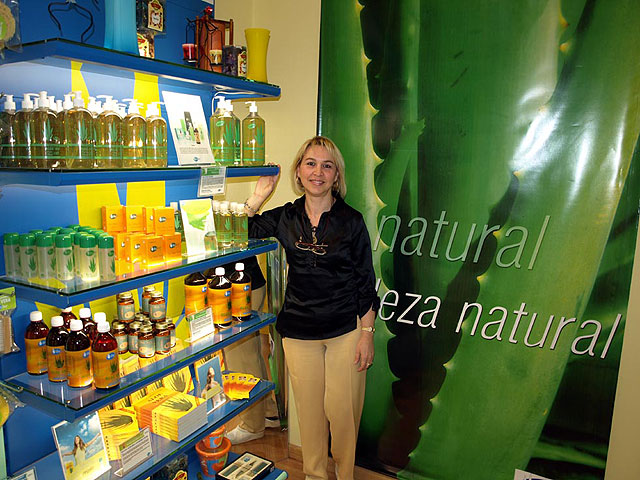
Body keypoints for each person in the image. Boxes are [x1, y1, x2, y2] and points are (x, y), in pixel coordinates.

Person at [242, 136, 379, 480]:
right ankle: (315, 475)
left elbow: (365, 281)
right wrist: (258, 196)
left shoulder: (351, 221)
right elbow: (240, 230)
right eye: (311, 164)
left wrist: (367, 333)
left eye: (327, 165)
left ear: (336, 176)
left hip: (344, 331)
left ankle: (344, 475)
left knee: (342, 412)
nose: (318, 172)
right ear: (299, 172)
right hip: (298, 331)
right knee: (310, 414)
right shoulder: (286, 217)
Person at [223, 256, 281, 444]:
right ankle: (268, 412)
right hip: (244, 282)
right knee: (250, 353)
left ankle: (252, 425)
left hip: (237, 287)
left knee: (240, 356)